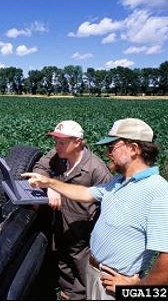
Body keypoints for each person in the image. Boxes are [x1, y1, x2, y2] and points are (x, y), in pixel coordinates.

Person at [23, 118, 168, 300]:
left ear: (134, 149)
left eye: (112, 147)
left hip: (114, 285)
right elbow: (85, 193)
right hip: (95, 273)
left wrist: (141, 288)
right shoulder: (118, 182)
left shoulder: (157, 192)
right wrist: (49, 183)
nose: (107, 152)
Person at [32, 120, 111, 300]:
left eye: (62, 142)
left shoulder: (95, 169)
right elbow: (39, 167)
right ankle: (67, 291)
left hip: (82, 229)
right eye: (55, 141)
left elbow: (110, 201)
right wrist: (51, 187)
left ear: (77, 142)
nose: (56, 146)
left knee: (82, 267)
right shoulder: (57, 155)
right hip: (60, 221)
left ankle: (80, 298)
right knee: (62, 259)